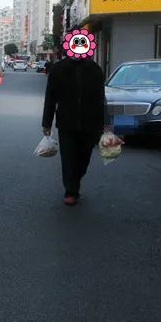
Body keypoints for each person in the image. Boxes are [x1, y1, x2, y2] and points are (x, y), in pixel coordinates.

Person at [42, 52, 111, 206]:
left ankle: (76, 180)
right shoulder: (58, 69)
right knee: (67, 158)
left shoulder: (95, 69)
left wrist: (107, 122)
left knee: (84, 158)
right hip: (66, 122)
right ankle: (71, 191)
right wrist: (46, 122)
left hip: (91, 123)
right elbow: (50, 97)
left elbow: (102, 98)